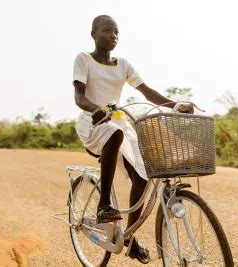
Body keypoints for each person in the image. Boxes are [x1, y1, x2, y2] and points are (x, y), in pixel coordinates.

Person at [73, 14, 193, 264]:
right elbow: (79, 97)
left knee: (143, 176)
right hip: (93, 121)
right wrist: (95, 108)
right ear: (93, 34)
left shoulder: (123, 64)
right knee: (114, 132)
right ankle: (104, 204)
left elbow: (146, 92)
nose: (113, 36)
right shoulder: (84, 59)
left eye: (116, 32)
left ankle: (128, 237)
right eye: (107, 30)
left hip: (119, 122)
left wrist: (175, 105)